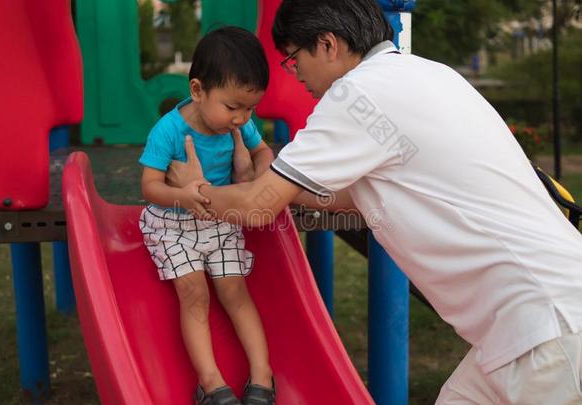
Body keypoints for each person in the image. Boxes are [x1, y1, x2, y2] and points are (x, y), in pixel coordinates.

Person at [167, 1, 582, 404]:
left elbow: (257, 207)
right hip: (531, 321)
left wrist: (195, 189)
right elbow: (353, 197)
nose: (295, 77)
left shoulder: (354, 96)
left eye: (293, 60)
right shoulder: (426, 73)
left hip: (546, 331)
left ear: (328, 44)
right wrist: (279, 184)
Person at [139, 26, 276, 405]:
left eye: (250, 108)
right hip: (173, 224)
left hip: (220, 219)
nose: (242, 118)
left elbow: (265, 153)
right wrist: (182, 195)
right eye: (233, 107)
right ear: (198, 91)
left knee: (235, 289)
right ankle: (211, 383)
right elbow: (149, 186)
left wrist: (255, 179)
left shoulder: (241, 122)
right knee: (194, 292)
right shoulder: (168, 130)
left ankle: (262, 375)